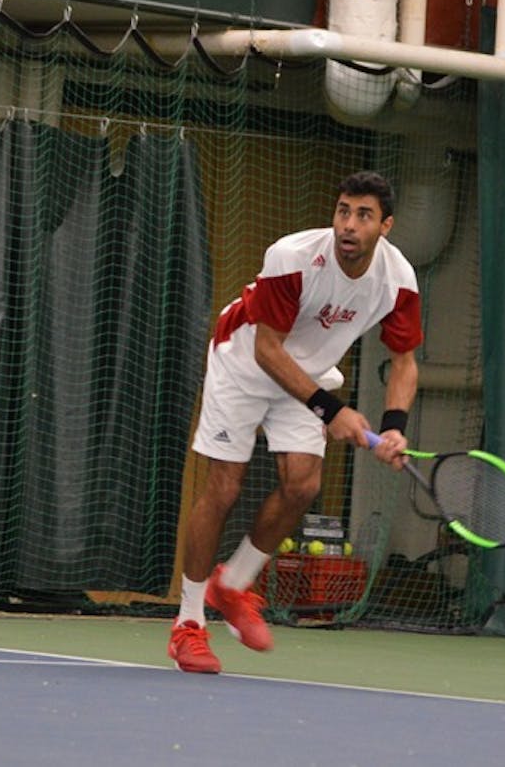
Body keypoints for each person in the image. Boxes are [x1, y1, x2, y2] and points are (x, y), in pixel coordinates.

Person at [168, 170, 422, 674]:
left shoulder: (398, 282)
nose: (348, 224)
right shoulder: (292, 257)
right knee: (223, 487)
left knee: (303, 485)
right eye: (343, 210)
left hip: (305, 374)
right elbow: (266, 349)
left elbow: (404, 362)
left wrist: (393, 425)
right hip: (243, 361)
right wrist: (332, 411)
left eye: (363, 215)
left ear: (385, 226)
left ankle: (233, 584)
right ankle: (188, 624)